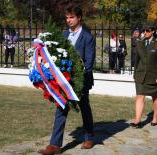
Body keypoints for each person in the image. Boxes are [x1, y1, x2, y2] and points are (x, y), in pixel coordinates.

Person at [38, 4, 95, 154]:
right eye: (67, 18)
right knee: (61, 108)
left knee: (84, 108)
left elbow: (89, 63)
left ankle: (89, 137)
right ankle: (55, 145)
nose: (68, 20)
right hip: (64, 80)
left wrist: (79, 77)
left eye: (72, 17)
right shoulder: (64, 35)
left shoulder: (87, 37)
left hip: (81, 80)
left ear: (79, 18)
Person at [130, 26, 157, 128]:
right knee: (140, 96)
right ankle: (137, 121)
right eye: (144, 30)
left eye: (148, 31)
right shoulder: (140, 42)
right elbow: (137, 60)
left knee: (155, 96)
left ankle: (155, 118)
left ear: (153, 31)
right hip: (141, 74)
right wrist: (135, 73)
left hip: (153, 75)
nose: (145, 32)